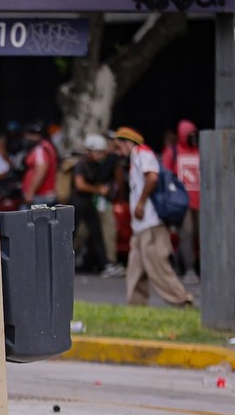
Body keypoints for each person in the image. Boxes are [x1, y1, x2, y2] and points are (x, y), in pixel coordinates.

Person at [113, 127, 194, 307]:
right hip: (141, 226)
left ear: (128, 143)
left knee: (158, 267)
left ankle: (182, 300)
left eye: (119, 147)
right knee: (136, 268)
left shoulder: (143, 154)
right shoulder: (135, 158)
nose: (118, 152)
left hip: (151, 223)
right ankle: (136, 305)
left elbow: (152, 178)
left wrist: (141, 203)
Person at [70, 134, 124, 278]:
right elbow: (80, 185)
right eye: (97, 152)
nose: (100, 156)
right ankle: (63, 261)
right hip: (78, 202)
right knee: (74, 234)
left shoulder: (95, 164)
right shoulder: (81, 164)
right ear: (89, 151)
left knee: (96, 232)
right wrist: (97, 190)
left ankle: (105, 264)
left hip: (87, 203)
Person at [163, 119, 200, 284]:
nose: (193, 137)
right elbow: (164, 174)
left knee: (200, 235)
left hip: (200, 201)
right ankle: (189, 269)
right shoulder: (173, 152)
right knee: (187, 234)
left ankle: (179, 261)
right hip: (182, 202)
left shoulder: (200, 151)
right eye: (189, 134)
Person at [21, 120, 59, 207]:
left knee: (22, 220)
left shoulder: (40, 149)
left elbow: (41, 172)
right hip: (43, 196)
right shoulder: (48, 146)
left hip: (40, 196)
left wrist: (30, 193)